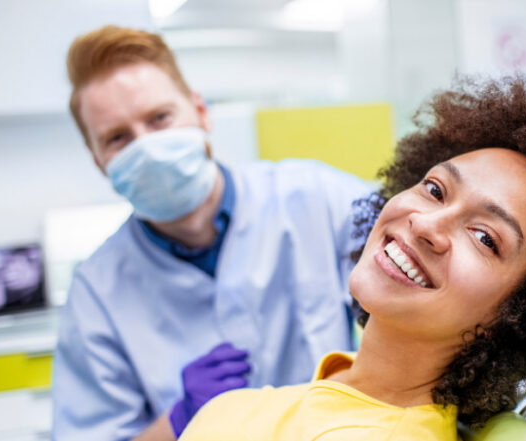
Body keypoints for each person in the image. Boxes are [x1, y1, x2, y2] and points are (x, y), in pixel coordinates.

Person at [177, 76, 526, 440]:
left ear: (519, 313)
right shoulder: (232, 412)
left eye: (484, 237)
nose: (428, 225)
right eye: (435, 189)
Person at [51, 26, 371, 441]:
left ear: (201, 112)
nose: (146, 147)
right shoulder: (96, 294)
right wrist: (180, 419)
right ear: (99, 161)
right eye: (118, 138)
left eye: (159, 118)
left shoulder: (317, 198)